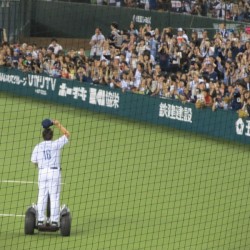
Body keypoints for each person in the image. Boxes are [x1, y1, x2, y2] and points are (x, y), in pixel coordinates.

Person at [31, 119, 70, 228]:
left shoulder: (38, 146)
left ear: (43, 136)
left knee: (42, 196)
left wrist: (42, 166)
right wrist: (57, 124)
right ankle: (54, 221)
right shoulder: (55, 144)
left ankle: (40, 220)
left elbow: (34, 161)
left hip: (42, 173)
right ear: (52, 136)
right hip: (54, 173)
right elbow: (67, 134)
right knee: (54, 196)